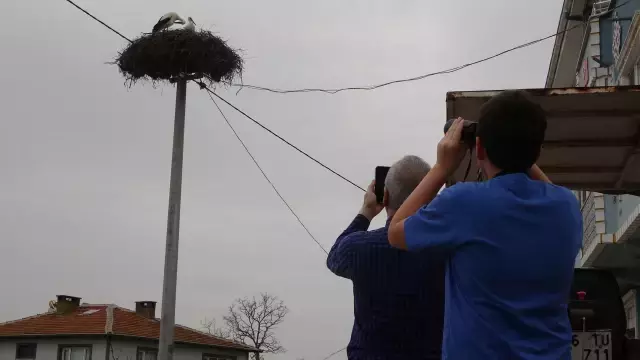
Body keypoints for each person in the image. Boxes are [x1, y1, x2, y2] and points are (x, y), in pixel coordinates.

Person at [388, 90, 582, 359]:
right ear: (537, 150)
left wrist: (442, 167)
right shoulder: (566, 207)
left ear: (479, 148)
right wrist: (521, 153)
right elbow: (542, 181)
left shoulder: (463, 202)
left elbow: (395, 231)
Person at [327, 155, 446, 360]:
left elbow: (334, 257)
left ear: (386, 196)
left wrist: (366, 212)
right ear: (431, 196)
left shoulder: (359, 248)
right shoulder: (448, 252)